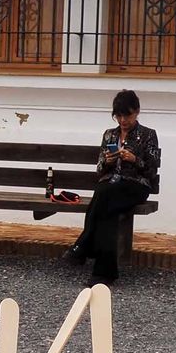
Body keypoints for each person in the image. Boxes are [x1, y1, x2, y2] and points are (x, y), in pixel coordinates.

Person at [64, 89, 159, 285]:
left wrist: (134, 159)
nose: (123, 120)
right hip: (110, 187)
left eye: (128, 115)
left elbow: (151, 170)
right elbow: (99, 170)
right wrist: (107, 161)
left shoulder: (148, 135)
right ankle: (103, 274)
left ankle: (82, 246)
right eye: (119, 116)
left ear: (137, 112)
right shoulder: (109, 135)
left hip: (135, 186)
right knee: (106, 207)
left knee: (103, 194)